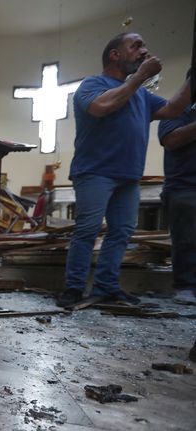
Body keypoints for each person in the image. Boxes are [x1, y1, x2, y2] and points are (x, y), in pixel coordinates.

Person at [57, 32, 192, 308]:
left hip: (128, 176)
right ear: (115, 55)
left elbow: (174, 110)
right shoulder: (93, 84)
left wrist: (192, 78)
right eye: (136, 46)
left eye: (144, 45)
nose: (143, 50)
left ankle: (106, 287)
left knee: (121, 232)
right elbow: (101, 106)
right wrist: (140, 76)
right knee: (88, 230)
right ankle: (73, 289)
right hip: (95, 172)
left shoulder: (142, 94)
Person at [157, 71, 196, 305]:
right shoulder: (178, 109)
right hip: (184, 187)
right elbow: (171, 140)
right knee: (187, 239)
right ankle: (185, 286)